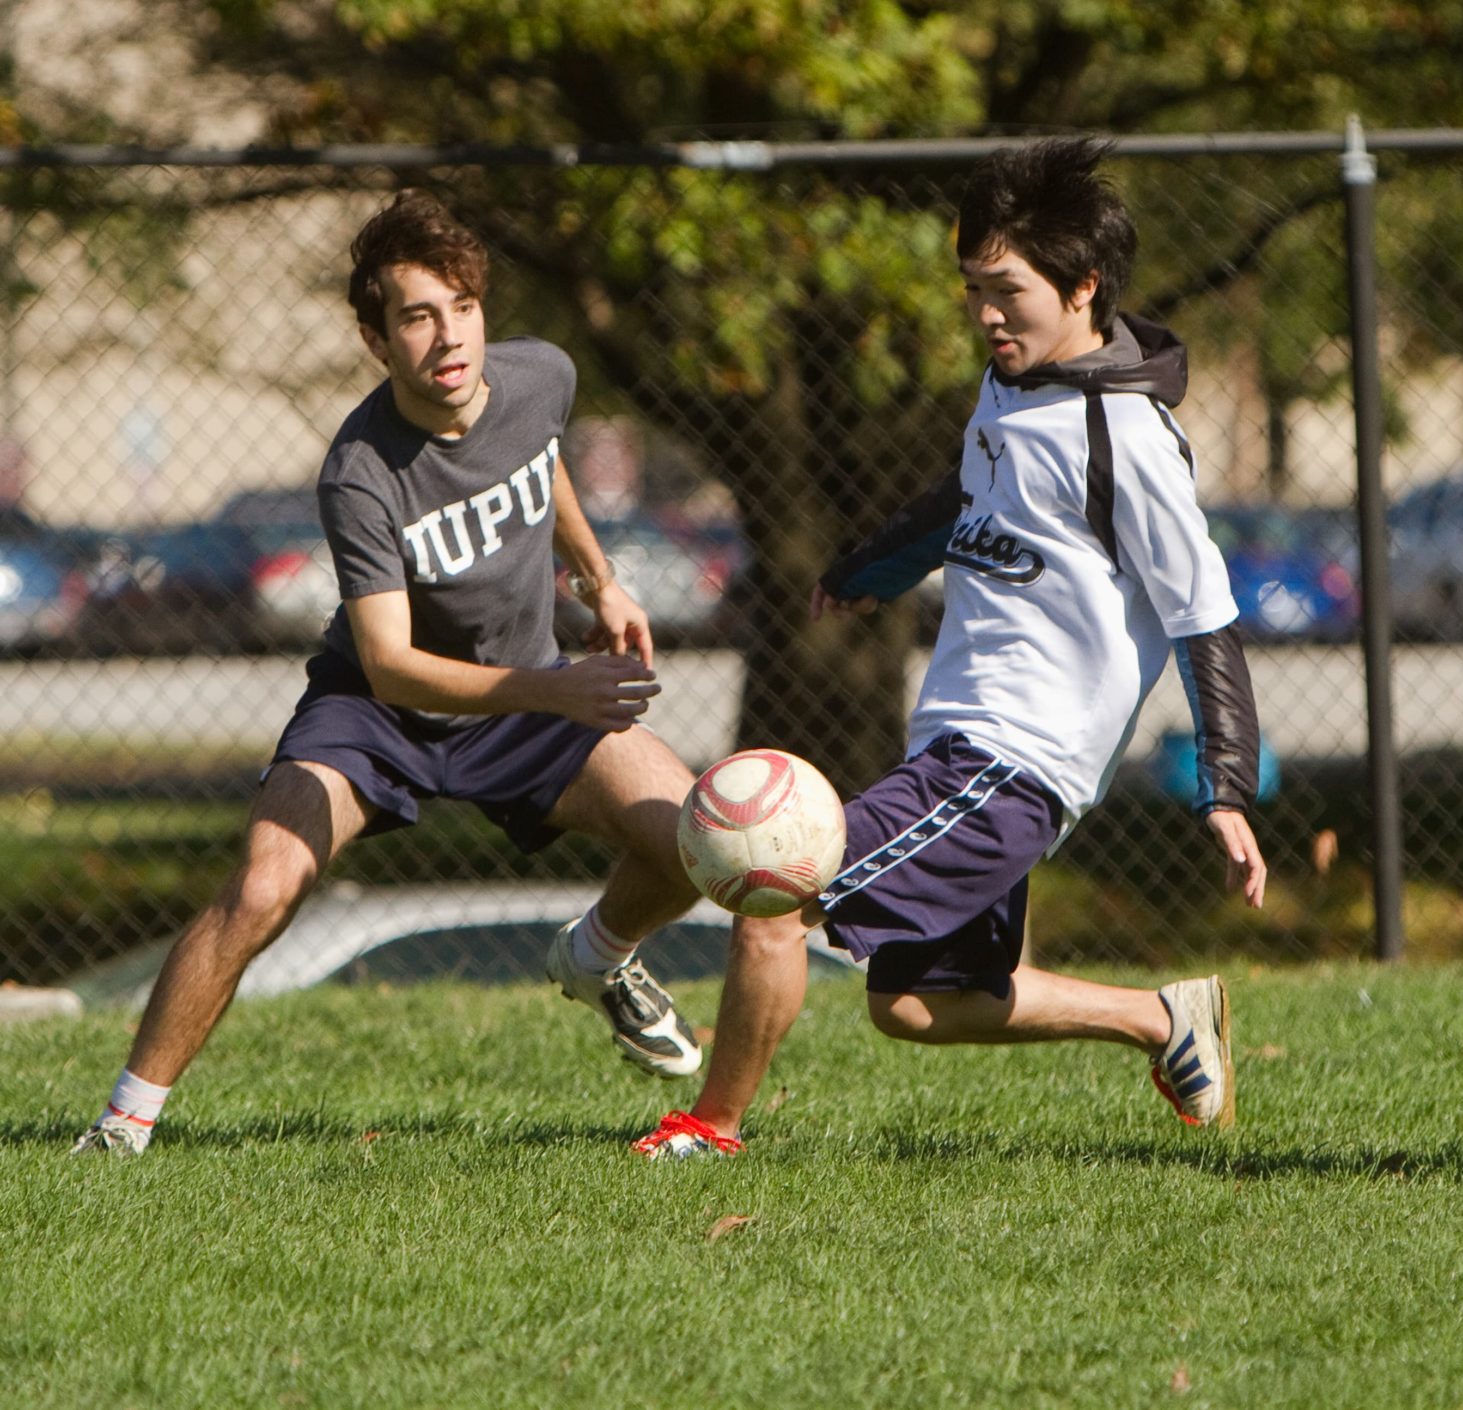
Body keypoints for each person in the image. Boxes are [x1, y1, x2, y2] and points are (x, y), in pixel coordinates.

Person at [633, 137, 1269, 1161]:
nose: (983, 315)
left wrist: (1225, 786)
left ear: (1082, 286)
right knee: (918, 1005)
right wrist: (863, 571)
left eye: (1004, 291)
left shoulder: (1127, 435)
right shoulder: (1010, 389)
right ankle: (1164, 1021)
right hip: (957, 749)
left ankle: (707, 1128)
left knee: (774, 881)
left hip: (1012, 763)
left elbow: (1203, 612)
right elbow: (962, 502)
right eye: (971, 289)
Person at [73, 191, 706, 1155]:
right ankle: (122, 1126)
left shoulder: (541, 377)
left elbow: (543, 461)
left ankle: (598, 957)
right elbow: (393, 664)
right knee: (262, 887)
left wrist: (600, 578)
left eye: (462, 306)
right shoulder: (360, 472)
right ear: (376, 340)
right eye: (417, 316)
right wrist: (558, 689)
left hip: (525, 695)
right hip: (378, 715)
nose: (448, 337)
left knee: (696, 840)